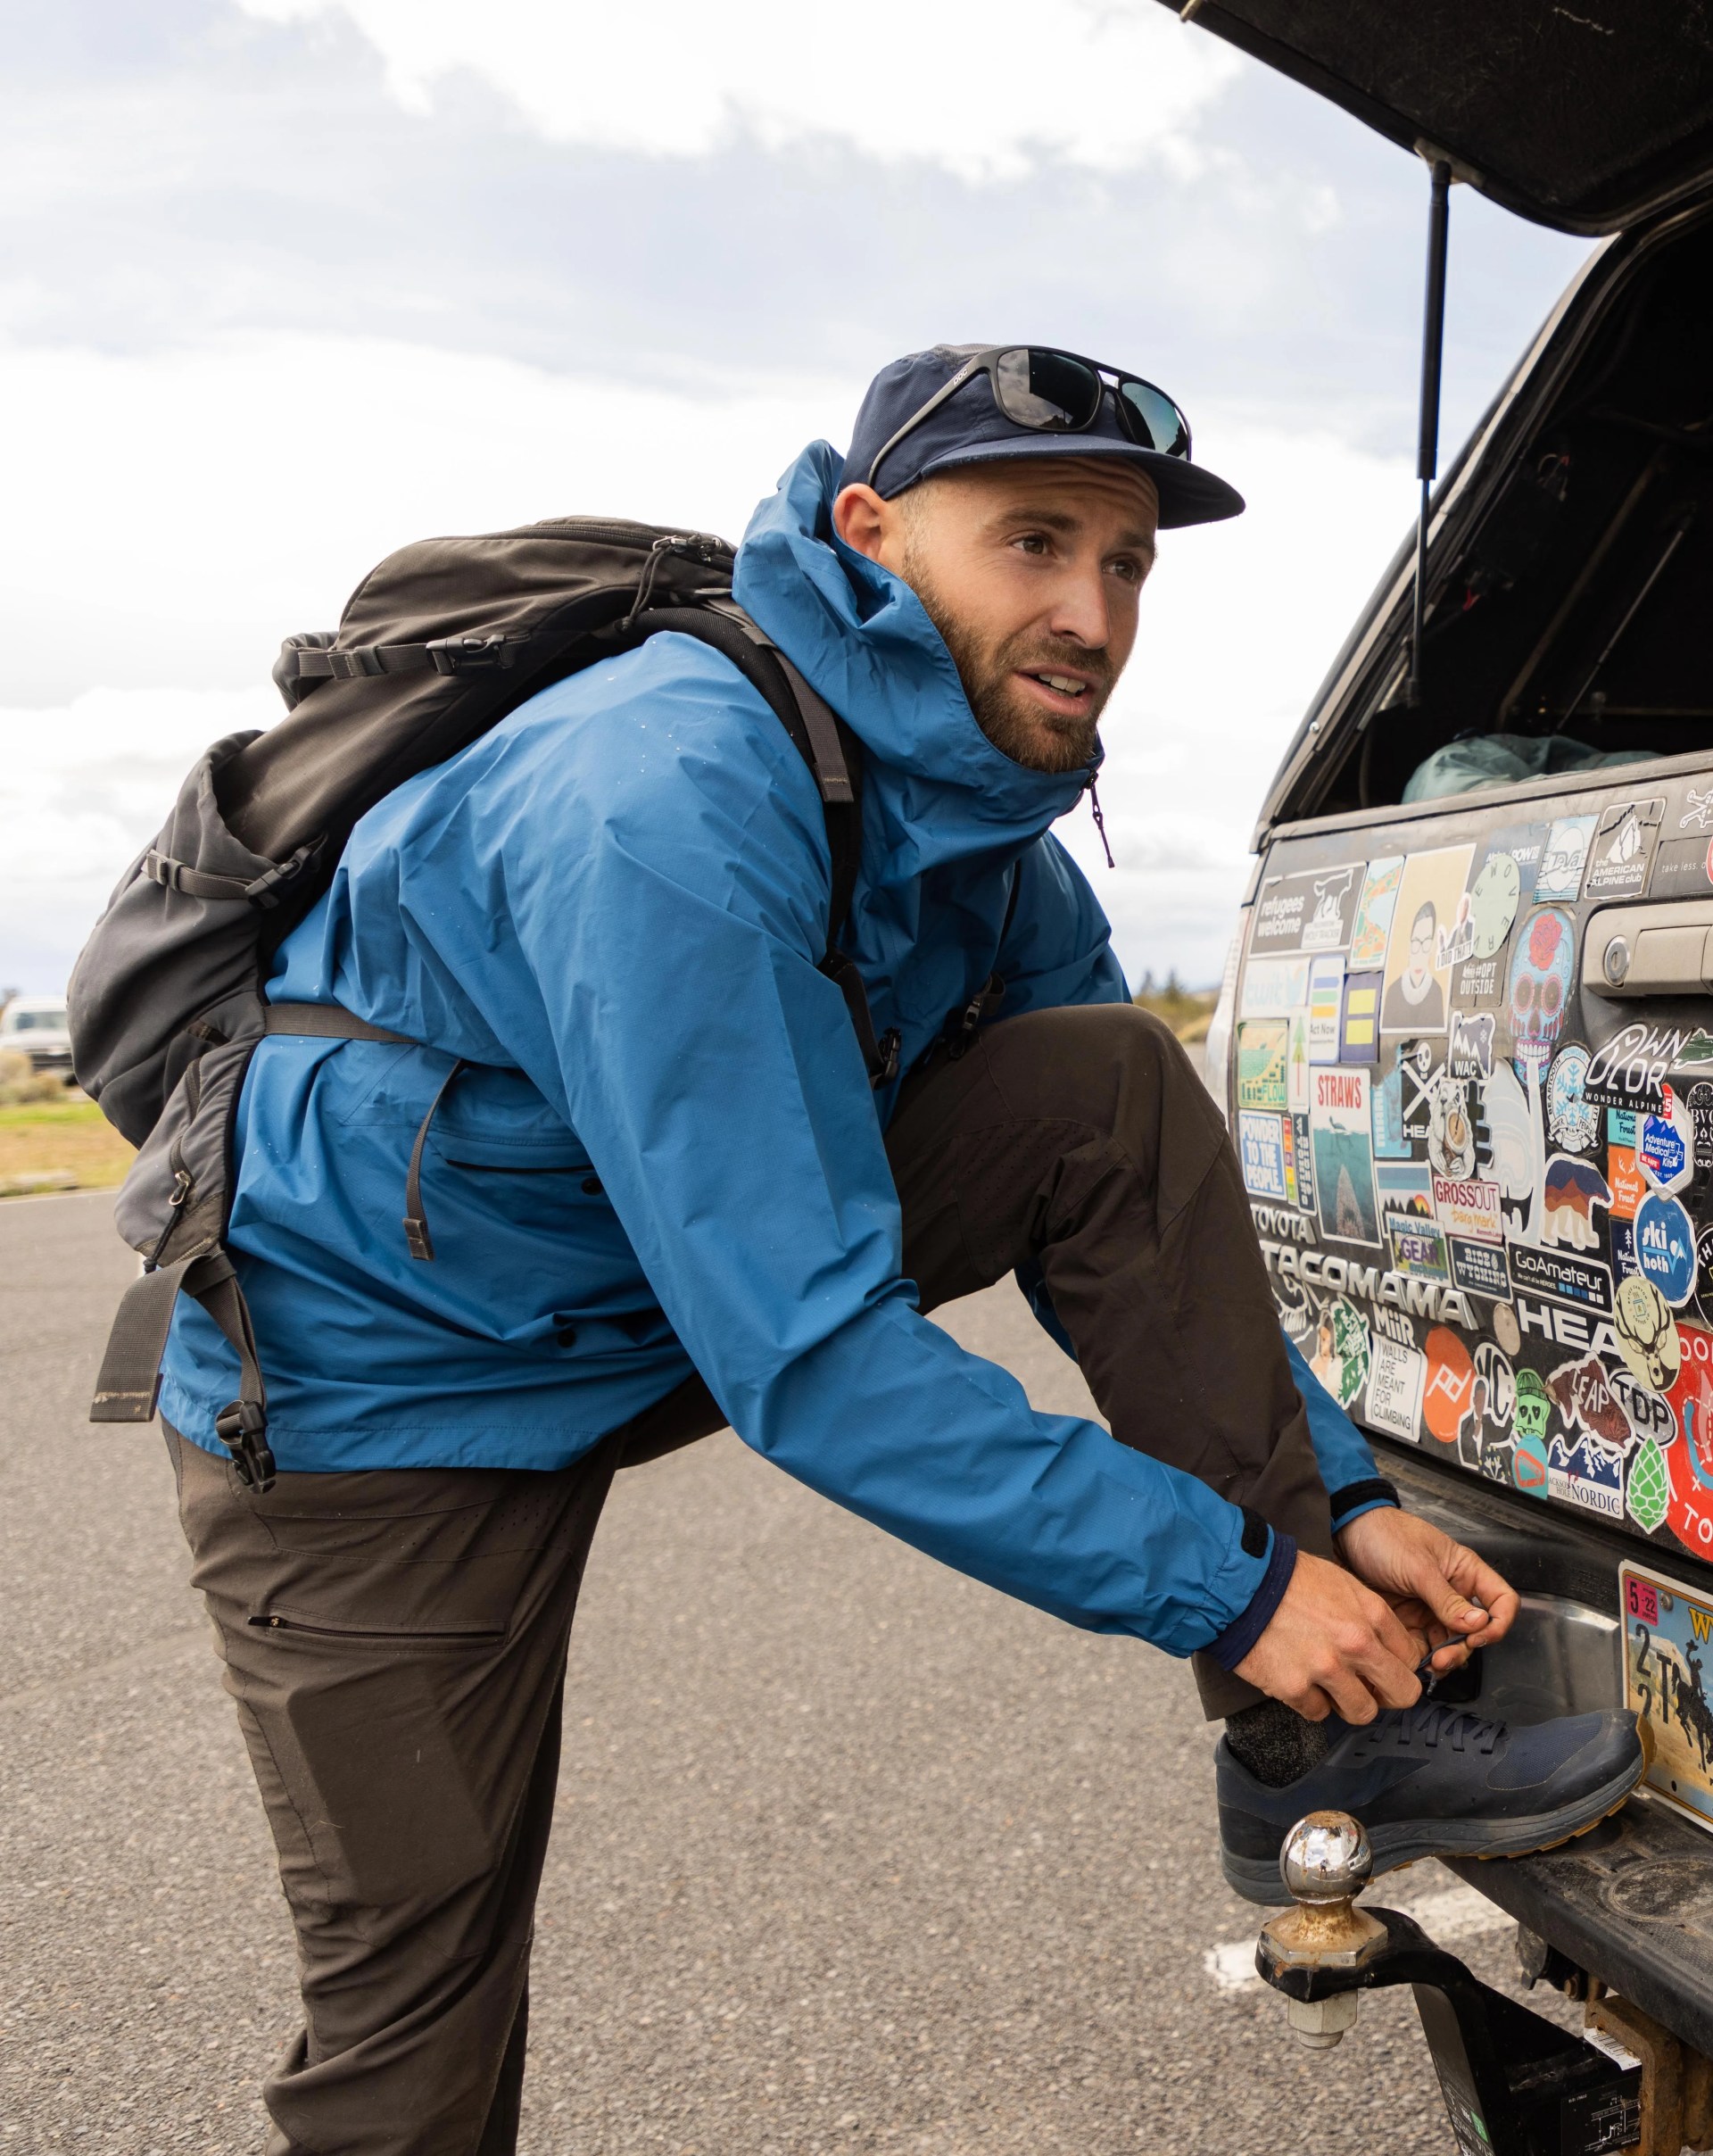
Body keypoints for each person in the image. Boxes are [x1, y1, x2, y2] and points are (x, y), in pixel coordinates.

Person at [157, 344, 1645, 2153]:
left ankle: (1310, 1745)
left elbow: (1131, 1187)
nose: (1091, 611)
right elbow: (814, 1356)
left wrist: (1334, 1515)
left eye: (1128, 562)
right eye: (1032, 541)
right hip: (377, 1378)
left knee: (1111, 1080)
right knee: (414, 1990)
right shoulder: (663, 790)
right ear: (871, 533)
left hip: (646, 1278)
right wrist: (1240, 1588)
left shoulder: (985, 817)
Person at [1382, 899, 1446, 1031]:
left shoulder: (1436, 992)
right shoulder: (1393, 992)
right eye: (1416, 942)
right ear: (1409, 946)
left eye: (1426, 942)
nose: (1420, 952)